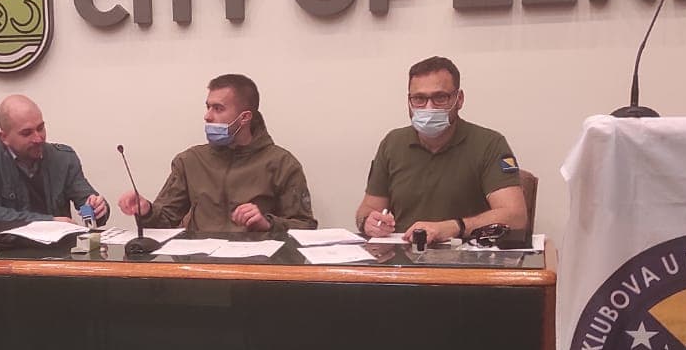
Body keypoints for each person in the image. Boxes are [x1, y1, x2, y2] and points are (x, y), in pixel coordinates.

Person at [354, 55, 527, 241]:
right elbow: (367, 209)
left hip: (466, 252)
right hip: (404, 252)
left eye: (440, 97)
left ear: (459, 99)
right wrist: (368, 222)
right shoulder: (393, 143)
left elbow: (516, 217)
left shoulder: (489, 144)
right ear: (408, 101)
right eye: (419, 98)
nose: (429, 107)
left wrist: (455, 227)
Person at [118, 74, 316, 233]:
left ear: (244, 118)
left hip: (257, 265)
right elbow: (165, 222)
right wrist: (146, 210)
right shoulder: (190, 161)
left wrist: (268, 223)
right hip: (199, 264)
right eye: (208, 107)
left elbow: (306, 226)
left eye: (218, 109)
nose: (207, 116)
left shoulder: (281, 163)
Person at [0, 94, 108, 225]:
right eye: (26, 133)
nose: (38, 138)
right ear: (4, 137)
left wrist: (96, 209)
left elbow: (85, 203)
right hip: (8, 242)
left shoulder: (63, 158)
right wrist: (49, 222)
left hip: (58, 243)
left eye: (40, 128)